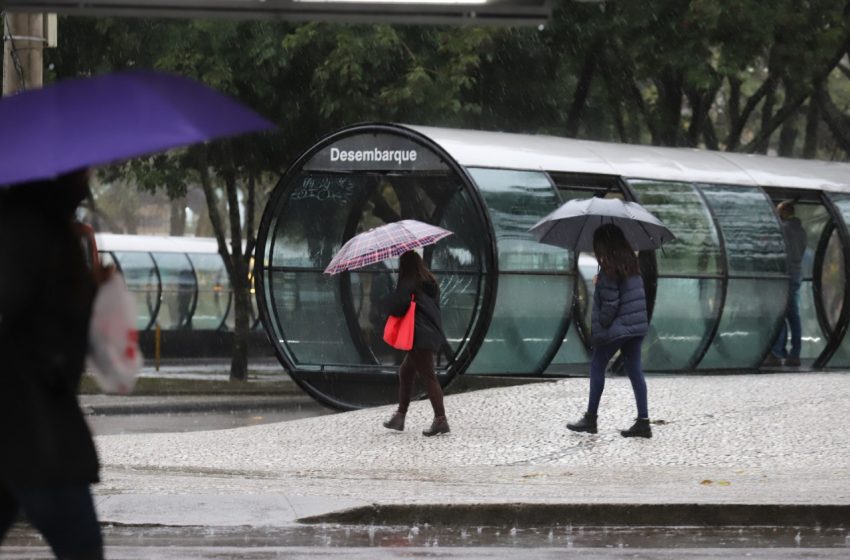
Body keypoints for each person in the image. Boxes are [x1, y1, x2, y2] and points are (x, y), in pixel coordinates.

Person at [0, 171, 106, 559]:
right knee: (82, 548)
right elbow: (28, 316)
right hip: (34, 427)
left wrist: (91, 291)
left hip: (26, 423)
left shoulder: (40, 225)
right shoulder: (28, 230)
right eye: (83, 168)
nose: (89, 173)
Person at [567, 224, 652, 438]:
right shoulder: (631, 265)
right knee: (635, 371)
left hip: (619, 327)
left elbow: (610, 305)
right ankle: (643, 422)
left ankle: (590, 419)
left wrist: (602, 326)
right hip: (636, 326)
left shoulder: (609, 269)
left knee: (597, 365)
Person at [381, 250, 450, 436]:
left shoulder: (409, 282)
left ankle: (441, 420)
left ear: (405, 266)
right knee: (405, 372)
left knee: (429, 377)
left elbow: (398, 308)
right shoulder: (430, 282)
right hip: (430, 333)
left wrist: (388, 297)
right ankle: (400, 417)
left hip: (418, 336)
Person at [765, 201, 807, 368]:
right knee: (793, 315)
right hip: (796, 273)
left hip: (784, 274)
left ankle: (776, 353)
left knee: (780, 313)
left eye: (778, 212)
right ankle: (795, 353)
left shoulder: (784, 229)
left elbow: (772, 249)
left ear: (783, 212)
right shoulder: (801, 231)